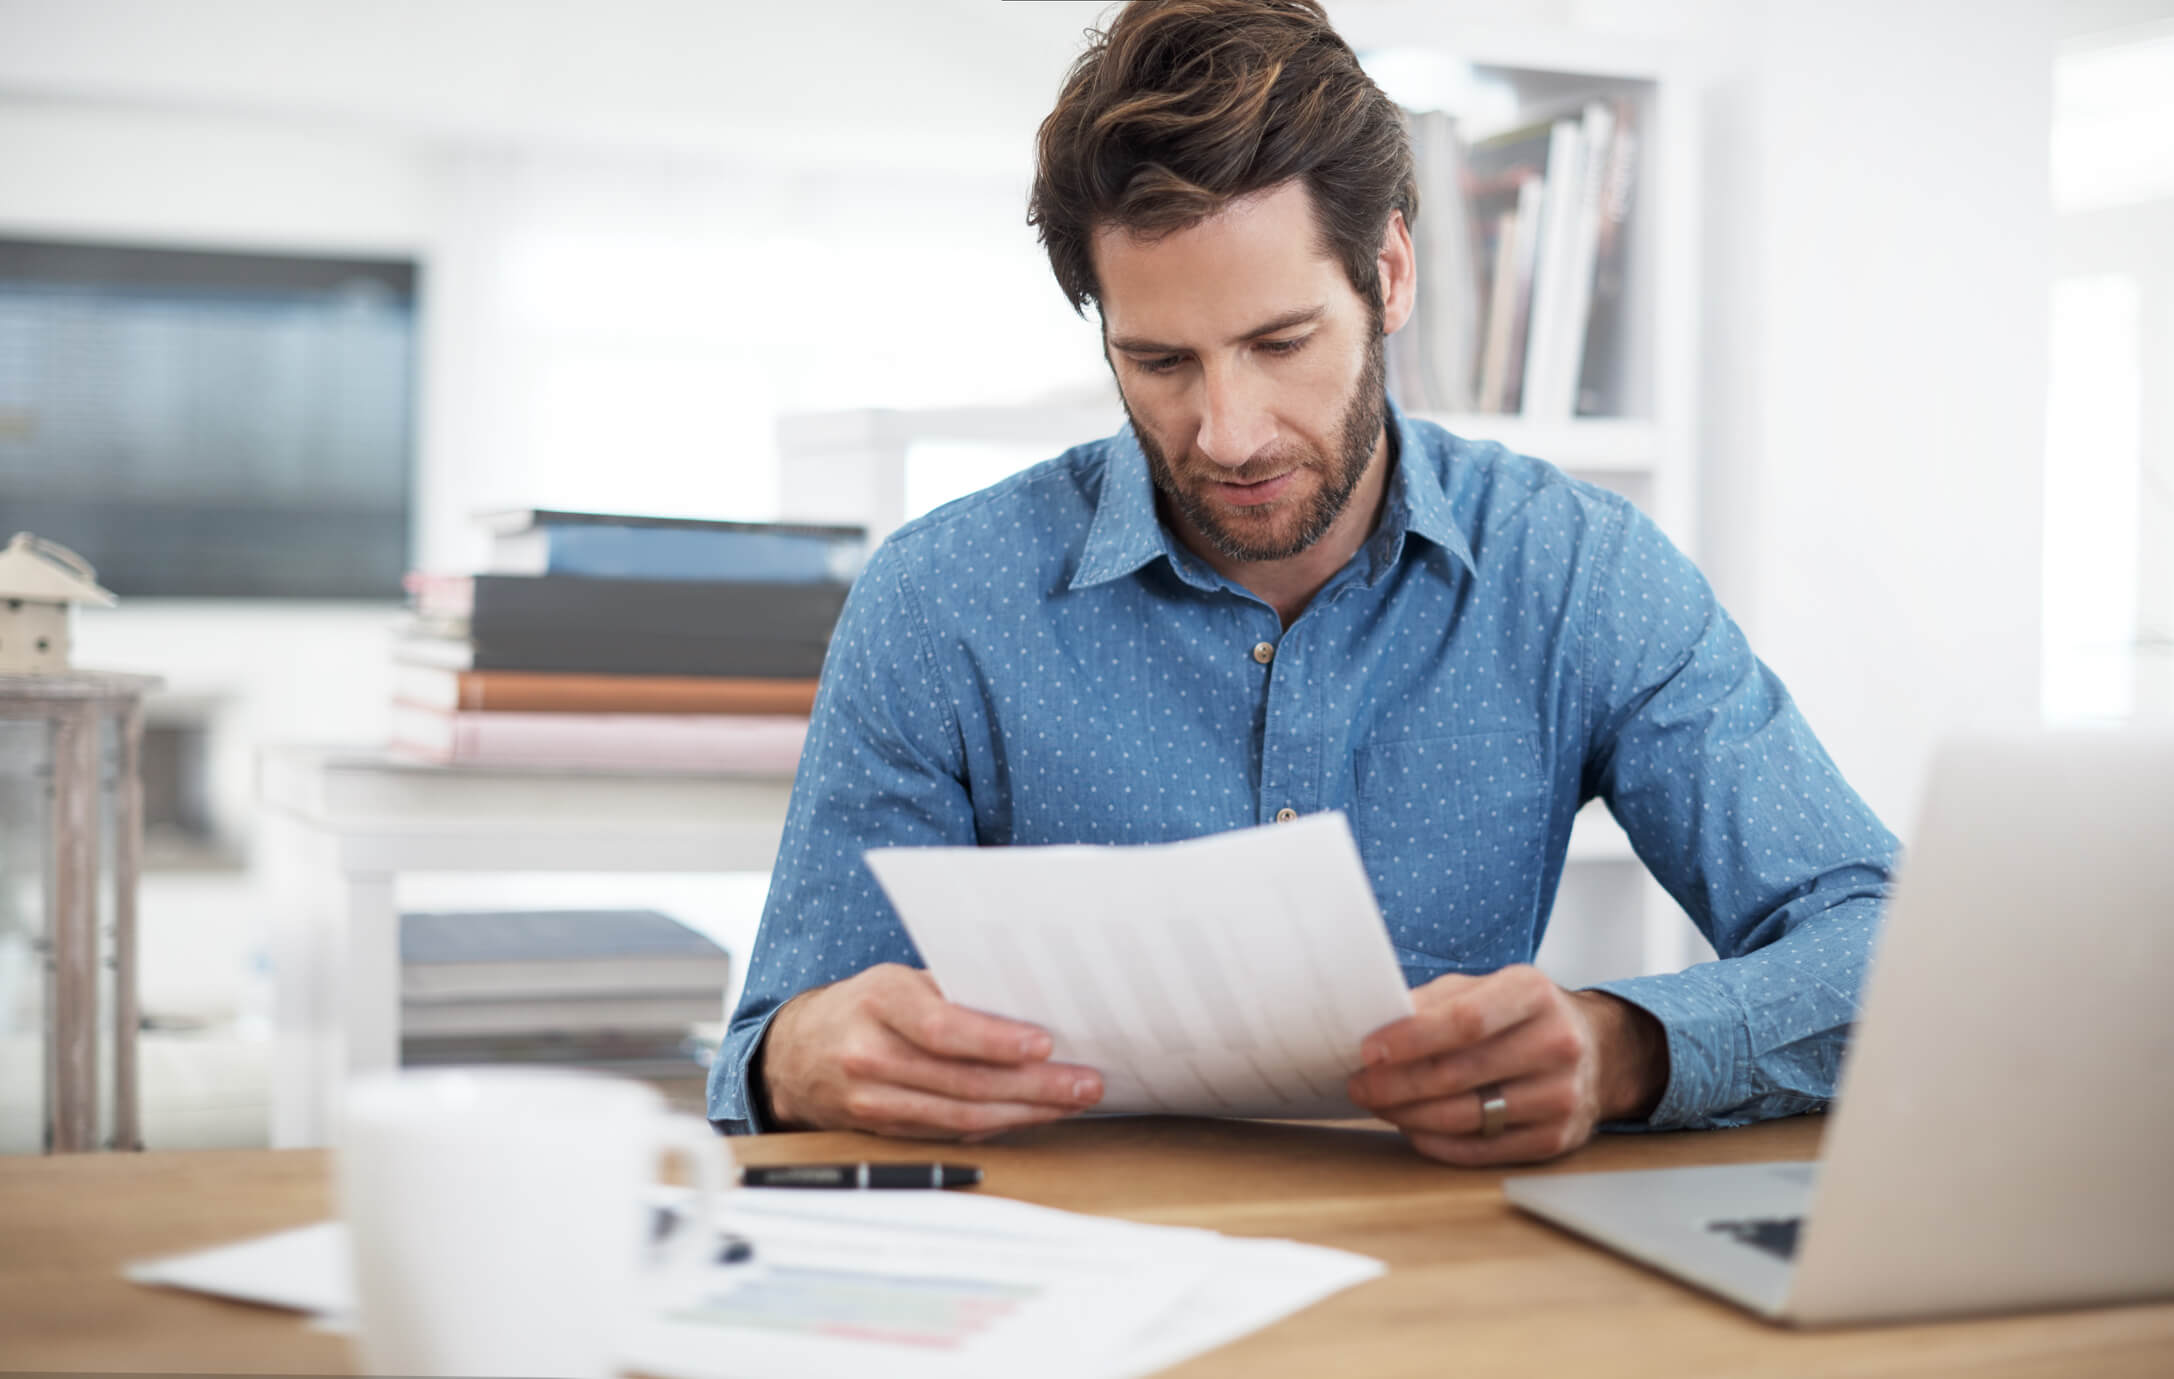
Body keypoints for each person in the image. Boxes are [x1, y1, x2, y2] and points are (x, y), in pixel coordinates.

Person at [708, 0, 1896, 1166]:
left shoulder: (1578, 571)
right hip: (1062, 1259)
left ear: (1389, 274)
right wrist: (796, 1058)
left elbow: (1884, 943)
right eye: (1158, 360)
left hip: (1445, 1259)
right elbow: (776, 1049)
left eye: (1279, 343)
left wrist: (1620, 1047)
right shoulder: (936, 603)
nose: (1226, 432)